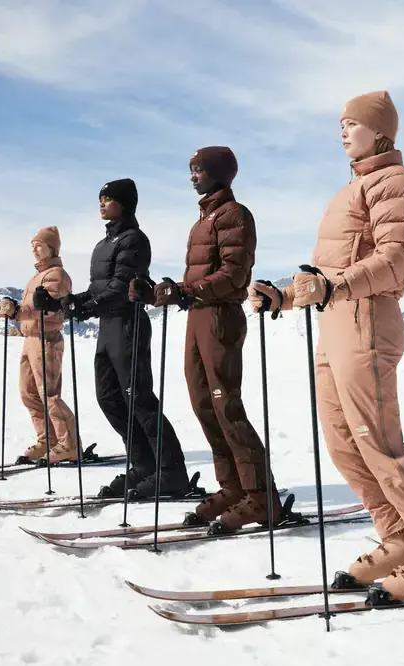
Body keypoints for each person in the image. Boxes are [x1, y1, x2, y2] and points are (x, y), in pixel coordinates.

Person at [249, 91, 404, 601]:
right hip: (335, 323)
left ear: (381, 130)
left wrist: (334, 287)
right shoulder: (351, 190)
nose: (343, 131)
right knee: (345, 444)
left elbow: (394, 261)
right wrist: (282, 294)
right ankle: (399, 538)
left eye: (352, 124)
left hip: (368, 322)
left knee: (380, 445)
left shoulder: (398, 184)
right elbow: (324, 273)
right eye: (340, 124)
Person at [131, 146, 281, 534]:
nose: (193, 176)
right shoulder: (203, 220)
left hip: (220, 317)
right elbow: (197, 279)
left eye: (198, 170)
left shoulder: (234, 215)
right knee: (203, 405)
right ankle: (233, 488)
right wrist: (159, 293)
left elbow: (235, 274)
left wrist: (189, 291)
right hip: (197, 317)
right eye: (191, 170)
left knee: (225, 405)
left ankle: (262, 497)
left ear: (218, 172)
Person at [56, 179, 191, 498]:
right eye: (100, 198)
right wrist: (73, 300)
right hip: (107, 329)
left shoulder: (134, 240)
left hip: (129, 326)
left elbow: (122, 286)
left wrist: (89, 307)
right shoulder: (103, 245)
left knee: (140, 400)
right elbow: (99, 287)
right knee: (109, 398)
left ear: (125, 203)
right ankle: (143, 465)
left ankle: (172, 472)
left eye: (108, 198)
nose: (101, 203)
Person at [0, 227, 78, 465]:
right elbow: (26, 314)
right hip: (30, 340)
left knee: (49, 395)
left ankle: (69, 445)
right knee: (28, 393)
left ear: (53, 247)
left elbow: (48, 310)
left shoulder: (57, 275)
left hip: (47, 339)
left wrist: (16, 309)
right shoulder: (36, 277)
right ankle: (48, 440)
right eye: (33, 245)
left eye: (40, 245)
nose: (35, 249)